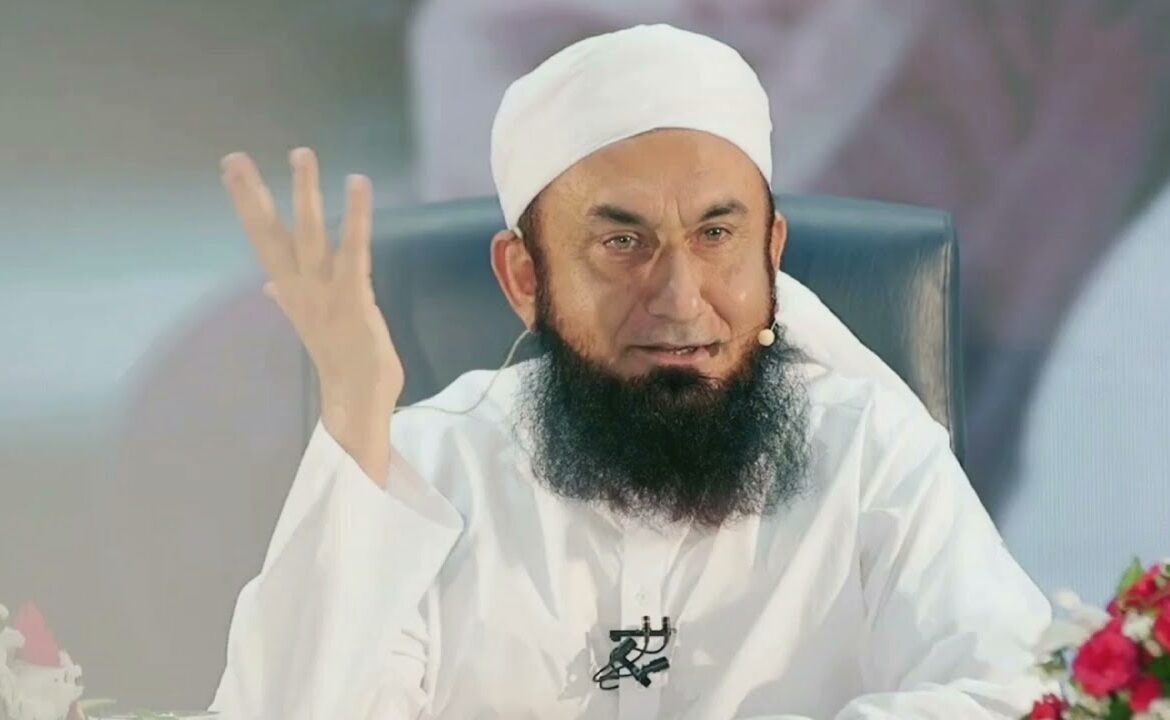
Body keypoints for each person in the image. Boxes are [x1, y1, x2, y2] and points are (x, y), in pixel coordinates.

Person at [210, 25, 1049, 719]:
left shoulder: (873, 452)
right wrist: (355, 410)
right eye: (622, 243)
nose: (681, 299)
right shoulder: (427, 466)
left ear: (771, 252)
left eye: (716, 236)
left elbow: (1006, 693)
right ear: (525, 279)